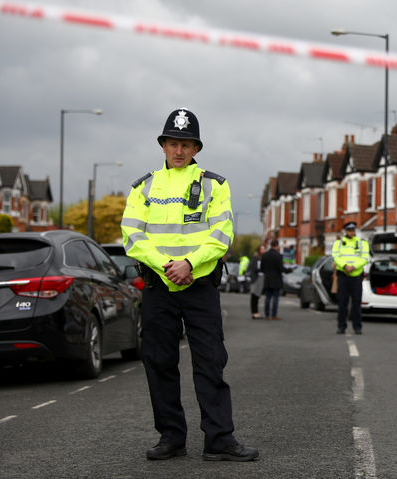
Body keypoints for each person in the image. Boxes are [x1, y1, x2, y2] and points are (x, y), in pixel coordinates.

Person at [121, 108, 258, 462]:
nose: (179, 150)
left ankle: (219, 439)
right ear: (163, 146)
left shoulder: (216, 185)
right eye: (172, 143)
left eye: (186, 144)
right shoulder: (143, 187)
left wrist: (189, 264)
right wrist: (167, 266)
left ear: (196, 148)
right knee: (159, 362)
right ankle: (171, 438)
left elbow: (220, 234)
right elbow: (133, 236)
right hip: (159, 287)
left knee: (211, 362)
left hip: (198, 286)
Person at [331, 221, 370, 334]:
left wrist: (353, 267)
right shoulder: (338, 243)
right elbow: (336, 256)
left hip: (356, 276)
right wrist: (345, 266)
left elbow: (365, 258)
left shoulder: (362, 243)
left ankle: (357, 327)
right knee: (342, 303)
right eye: (349, 230)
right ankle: (341, 326)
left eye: (353, 230)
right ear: (345, 231)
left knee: (356, 303)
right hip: (343, 275)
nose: (352, 232)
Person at [260, 239, 288, 320]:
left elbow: (262, 268)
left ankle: (267, 315)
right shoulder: (279, 256)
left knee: (267, 298)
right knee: (275, 298)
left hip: (267, 280)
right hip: (276, 280)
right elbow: (281, 269)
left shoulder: (264, 255)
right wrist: (289, 270)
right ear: (276, 245)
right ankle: (274, 315)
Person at [248, 244, 267, 319]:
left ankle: (256, 312)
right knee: (254, 295)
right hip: (255, 278)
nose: (263, 250)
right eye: (262, 249)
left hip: (262, 278)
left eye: (264, 249)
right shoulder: (255, 258)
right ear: (259, 250)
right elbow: (252, 268)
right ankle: (254, 313)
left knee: (258, 295)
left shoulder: (264, 258)